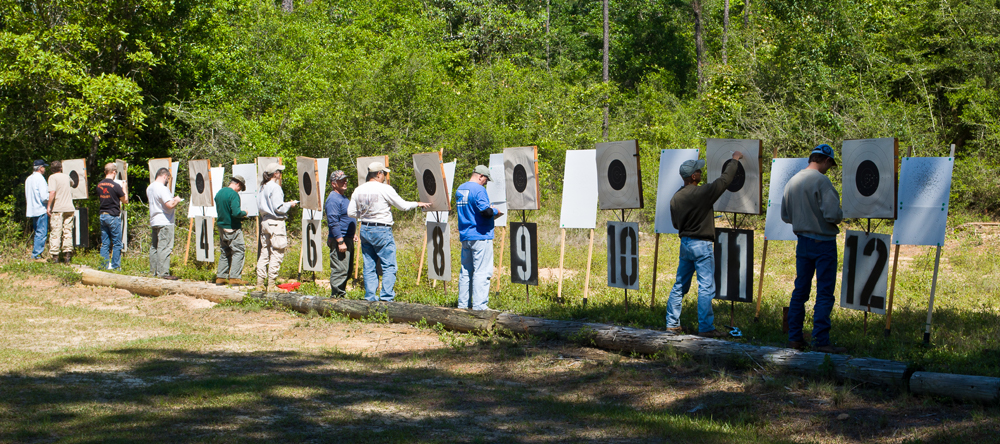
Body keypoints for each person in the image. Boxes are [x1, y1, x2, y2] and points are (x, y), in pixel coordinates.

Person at [665, 151, 744, 338]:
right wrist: (734, 160)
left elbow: (676, 224)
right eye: (699, 171)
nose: (701, 172)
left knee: (679, 286)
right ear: (693, 176)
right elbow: (724, 180)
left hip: (685, 244)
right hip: (702, 245)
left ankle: (672, 324)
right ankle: (706, 327)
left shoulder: (675, 197)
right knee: (706, 287)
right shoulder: (703, 193)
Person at [781, 143, 846, 354]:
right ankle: (820, 341)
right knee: (824, 293)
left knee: (800, 291)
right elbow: (832, 215)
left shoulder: (793, 181)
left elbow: (785, 215)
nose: (829, 168)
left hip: (803, 242)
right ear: (826, 160)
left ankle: (795, 338)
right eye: (830, 164)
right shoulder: (822, 181)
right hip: (824, 243)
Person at [347, 162, 430, 302]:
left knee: (369, 265)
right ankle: (386, 297)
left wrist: (365, 214)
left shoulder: (358, 189)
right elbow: (403, 206)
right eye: (384, 173)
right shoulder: (385, 189)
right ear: (378, 173)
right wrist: (417, 203)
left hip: (365, 228)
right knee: (389, 265)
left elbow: (351, 212)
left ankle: (370, 297)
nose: (385, 176)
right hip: (381, 229)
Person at [455, 165, 503, 310]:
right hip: (480, 235)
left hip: (466, 235)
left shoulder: (460, 189)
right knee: (482, 271)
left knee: (466, 272)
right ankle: (479, 307)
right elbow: (486, 212)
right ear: (480, 176)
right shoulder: (479, 190)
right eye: (486, 180)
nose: (486, 183)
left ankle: (463, 305)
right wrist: (496, 210)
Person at [256, 163, 297, 291]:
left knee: (264, 252)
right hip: (275, 222)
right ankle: (271, 285)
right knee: (277, 252)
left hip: (265, 221)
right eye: (279, 171)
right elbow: (278, 208)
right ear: (275, 174)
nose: (280, 173)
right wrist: (290, 204)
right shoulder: (275, 187)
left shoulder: (262, 187)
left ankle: (259, 283)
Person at [324, 170, 356, 297]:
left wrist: (352, 233)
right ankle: (336, 298)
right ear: (333, 183)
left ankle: (340, 295)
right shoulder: (333, 199)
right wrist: (340, 241)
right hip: (340, 240)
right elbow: (333, 222)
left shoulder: (342, 197)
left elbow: (345, 218)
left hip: (347, 238)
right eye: (341, 180)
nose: (345, 182)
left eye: (345, 179)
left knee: (347, 270)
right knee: (340, 270)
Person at [147, 168, 182, 280]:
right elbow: (170, 204)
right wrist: (176, 200)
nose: (168, 181)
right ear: (165, 176)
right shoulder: (162, 188)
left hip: (154, 220)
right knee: (165, 247)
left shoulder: (150, 187)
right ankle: (163, 273)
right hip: (165, 221)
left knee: (155, 247)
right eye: (168, 178)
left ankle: (153, 271)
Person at [215, 175, 248, 285]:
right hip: (232, 227)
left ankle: (221, 276)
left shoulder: (220, 192)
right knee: (239, 250)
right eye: (240, 188)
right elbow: (236, 213)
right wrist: (245, 213)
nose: (239, 191)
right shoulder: (233, 194)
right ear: (238, 184)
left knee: (225, 251)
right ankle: (235, 278)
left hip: (221, 226)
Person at [96, 163, 128, 270]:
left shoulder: (99, 185)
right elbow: (125, 200)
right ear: (114, 172)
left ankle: (103, 265)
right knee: (117, 243)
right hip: (113, 216)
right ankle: (115, 266)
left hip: (102, 215)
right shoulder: (116, 186)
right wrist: (124, 188)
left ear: (105, 172)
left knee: (105, 243)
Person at [46, 160, 76, 263]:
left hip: (58, 208)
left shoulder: (52, 177)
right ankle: (67, 256)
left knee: (56, 231)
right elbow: (73, 183)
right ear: (61, 168)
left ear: (51, 169)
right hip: (69, 207)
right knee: (67, 231)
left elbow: (52, 192)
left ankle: (55, 257)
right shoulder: (66, 176)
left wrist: (48, 206)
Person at [25, 159, 49, 261]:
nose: (44, 169)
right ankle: (36, 254)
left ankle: (36, 253)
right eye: (43, 167)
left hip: (32, 209)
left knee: (37, 232)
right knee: (42, 233)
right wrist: (52, 198)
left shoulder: (28, 179)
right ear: (40, 168)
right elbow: (44, 197)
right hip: (40, 209)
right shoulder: (40, 179)